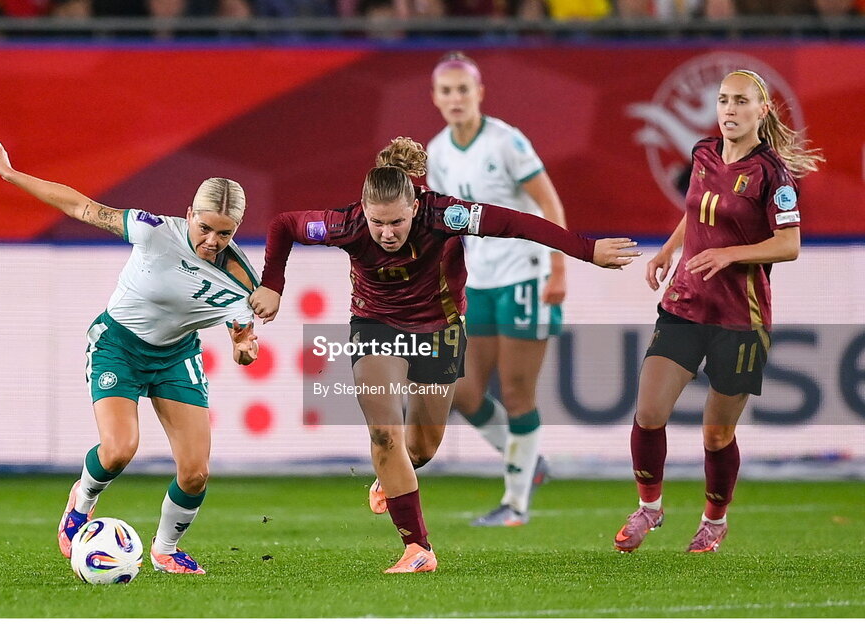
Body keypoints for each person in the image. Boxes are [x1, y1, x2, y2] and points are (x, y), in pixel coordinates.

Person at [249, 137, 638, 573]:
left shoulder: (445, 214)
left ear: (415, 206)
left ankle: (392, 477)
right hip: (375, 329)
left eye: (396, 221)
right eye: (378, 223)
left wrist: (585, 250)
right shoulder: (344, 224)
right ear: (363, 209)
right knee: (384, 432)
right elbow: (284, 224)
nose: (387, 233)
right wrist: (273, 284)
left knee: (421, 448)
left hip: (440, 332)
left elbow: (515, 224)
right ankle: (418, 549)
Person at [0, 137, 261, 574]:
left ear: (236, 229)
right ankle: (82, 500)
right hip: (118, 345)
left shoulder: (242, 279)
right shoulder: (152, 230)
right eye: (204, 227)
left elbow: (241, 334)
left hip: (175, 356)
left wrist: (244, 347)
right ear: (189, 214)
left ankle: (166, 549)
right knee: (119, 449)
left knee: (195, 473)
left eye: (224, 232)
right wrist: (13, 175)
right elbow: (81, 207)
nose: (212, 240)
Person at [613, 70, 823, 554]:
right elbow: (696, 211)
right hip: (685, 304)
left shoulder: (773, 174)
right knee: (648, 412)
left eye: (740, 101)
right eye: (724, 100)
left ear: (761, 110)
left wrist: (731, 253)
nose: (729, 109)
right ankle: (649, 508)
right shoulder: (703, 153)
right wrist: (668, 252)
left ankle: (714, 520)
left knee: (716, 432)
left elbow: (789, 244)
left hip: (740, 319)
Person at [427, 51, 566, 527]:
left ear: (479, 93)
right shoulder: (438, 152)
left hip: (525, 274)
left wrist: (559, 268)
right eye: (447, 91)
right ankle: (529, 462)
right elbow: (448, 225)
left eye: (463, 89)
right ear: (436, 98)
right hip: (480, 282)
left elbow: (549, 204)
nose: (456, 98)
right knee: (463, 391)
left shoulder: (507, 142)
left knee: (517, 392)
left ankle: (515, 505)